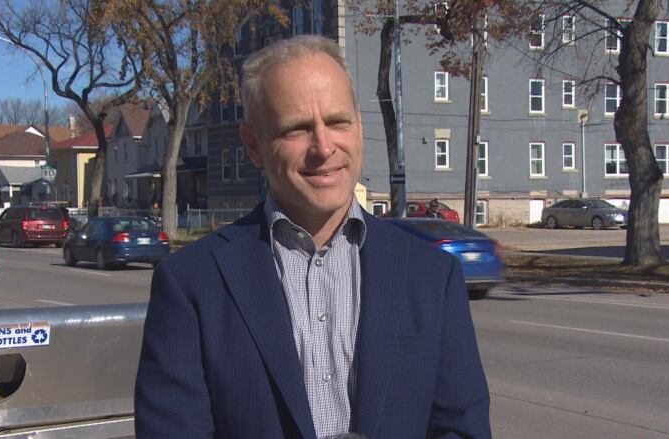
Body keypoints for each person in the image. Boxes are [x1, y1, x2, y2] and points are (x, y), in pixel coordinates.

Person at [135, 35, 491, 438]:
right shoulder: (191, 284)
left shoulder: (432, 276)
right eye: (297, 129)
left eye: (337, 122)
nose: (323, 147)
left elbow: (462, 430)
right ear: (253, 145)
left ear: (358, 124)